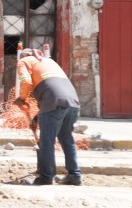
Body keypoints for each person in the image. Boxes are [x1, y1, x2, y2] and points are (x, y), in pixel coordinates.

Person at [14, 48, 82, 186]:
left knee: (46, 142)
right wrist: (36, 118)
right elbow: (54, 91)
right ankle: (74, 175)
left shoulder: (24, 60)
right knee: (66, 139)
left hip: (53, 102)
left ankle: (45, 178)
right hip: (73, 102)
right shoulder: (49, 61)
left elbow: (26, 82)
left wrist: (22, 99)